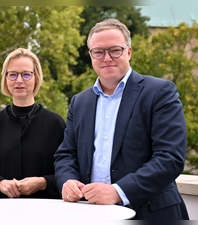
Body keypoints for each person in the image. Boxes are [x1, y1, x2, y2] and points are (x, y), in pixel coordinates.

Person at [54, 18, 189, 220]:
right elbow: (66, 154)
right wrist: (68, 181)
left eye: (115, 50)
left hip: (150, 214)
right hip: (90, 214)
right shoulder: (79, 102)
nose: (106, 57)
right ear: (91, 56)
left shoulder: (159, 92)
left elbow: (170, 157)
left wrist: (118, 191)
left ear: (129, 52)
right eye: (98, 52)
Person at [0, 48, 66, 199]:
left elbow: (69, 172)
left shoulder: (55, 124)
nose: (19, 80)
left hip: (45, 214)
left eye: (26, 74)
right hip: (1, 214)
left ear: (36, 78)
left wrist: (43, 182)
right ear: (6, 79)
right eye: (13, 74)